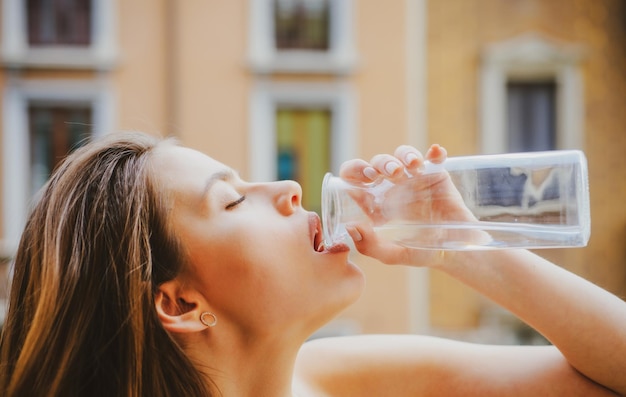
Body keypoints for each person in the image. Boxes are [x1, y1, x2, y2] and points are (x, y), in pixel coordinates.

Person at [0, 132, 624, 397]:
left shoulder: (339, 378)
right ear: (180, 303)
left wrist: (465, 249)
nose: (289, 188)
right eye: (234, 199)